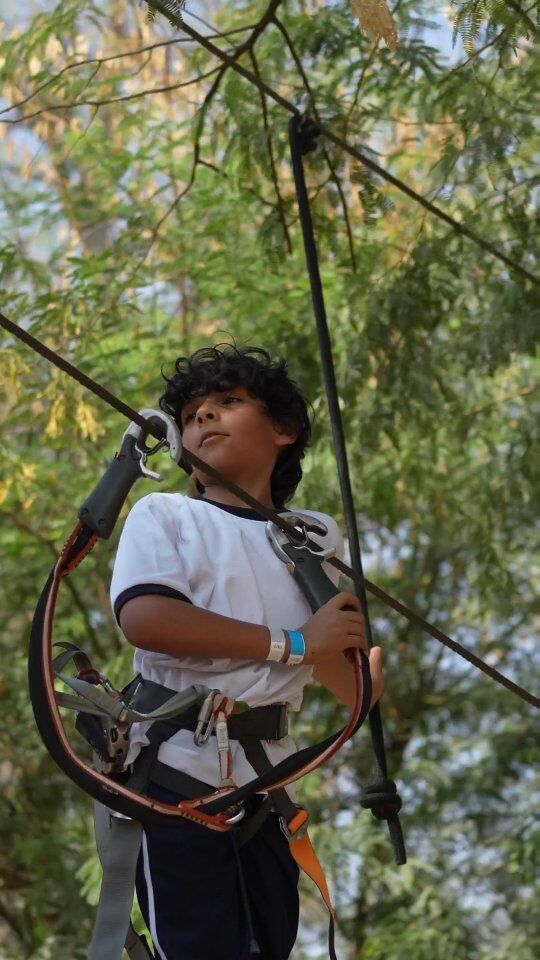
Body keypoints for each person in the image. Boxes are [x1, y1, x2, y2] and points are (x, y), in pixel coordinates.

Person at [110, 344, 384, 960]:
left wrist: (362, 683)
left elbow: (340, 682)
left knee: (272, 946)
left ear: (283, 430)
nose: (203, 418)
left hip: (267, 784)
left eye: (228, 403)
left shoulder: (309, 540)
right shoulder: (167, 514)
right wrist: (293, 644)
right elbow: (146, 617)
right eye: (191, 415)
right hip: (177, 775)